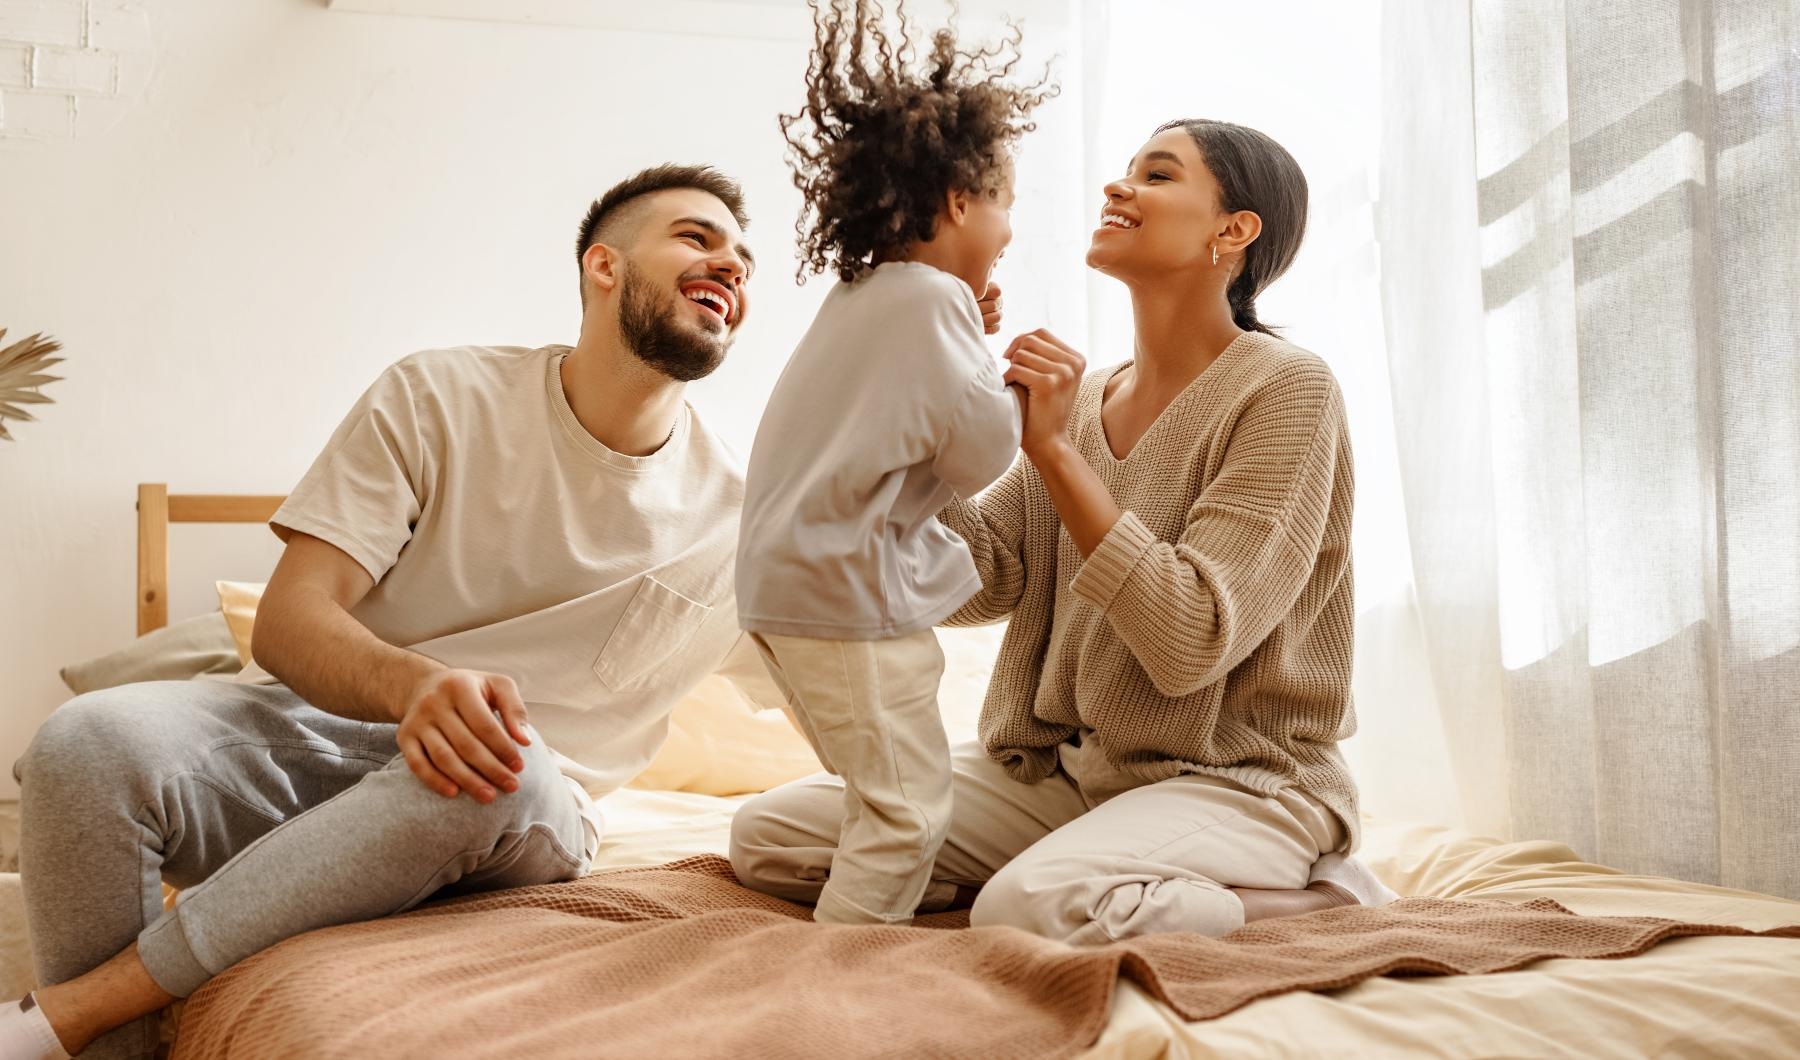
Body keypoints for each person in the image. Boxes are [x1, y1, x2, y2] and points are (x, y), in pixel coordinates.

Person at [6, 163, 773, 1059]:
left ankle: (72, 1012)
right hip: (311, 741)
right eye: (697, 236)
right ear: (603, 267)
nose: (731, 264)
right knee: (79, 744)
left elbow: (903, 623)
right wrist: (417, 686)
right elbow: (293, 618)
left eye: (746, 260)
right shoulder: (439, 398)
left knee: (504, 760)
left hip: (509, 813)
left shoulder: (752, 517)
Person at [732, 119, 1399, 945]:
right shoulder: (1085, 401)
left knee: (1030, 906)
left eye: (1156, 175)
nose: (1119, 187)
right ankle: (1100, 865)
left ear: (1234, 231)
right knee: (770, 838)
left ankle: (1318, 902)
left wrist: (1048, 449)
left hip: (1241, 782)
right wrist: (927, 390)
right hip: (1071, 774)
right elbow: (990, 576)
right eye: (1122, 171)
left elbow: (1191, 638)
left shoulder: (1287, 390)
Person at [733, 0, 1052, 927]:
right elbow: (980, 448)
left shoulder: (870, 294)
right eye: (1004, 208)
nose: (1007, 234)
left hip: (786, 592)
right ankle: (841, 985)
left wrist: (967, 344)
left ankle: (878, 920)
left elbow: (906, 416)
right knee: (907, 813)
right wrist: (1029, 401)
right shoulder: (932, 303)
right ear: (958, 200)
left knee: (880, 793)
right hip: (847, 601)